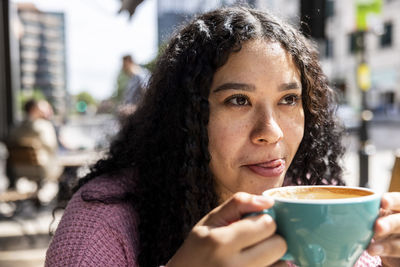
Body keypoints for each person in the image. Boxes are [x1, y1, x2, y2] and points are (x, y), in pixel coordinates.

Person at [45, 6, 400, 267]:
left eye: (289, 99)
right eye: (238, 101)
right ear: (186, 116)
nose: (271, 131)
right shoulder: (103, 222)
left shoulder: (307, 197)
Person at [7, 99, 63, 188]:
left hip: (19, 169)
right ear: (34, 109)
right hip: (43, 169)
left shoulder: (15, 127)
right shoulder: (42, 126)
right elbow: (52, 147)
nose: (48, 111)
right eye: (44, 108)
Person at [115, 54, 150, 120]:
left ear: (129, 62)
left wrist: (135, 108)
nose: (122, 67)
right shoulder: (132, 78)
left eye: (124, 64)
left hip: (138, 118)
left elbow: (148, 96)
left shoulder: (141, 75)